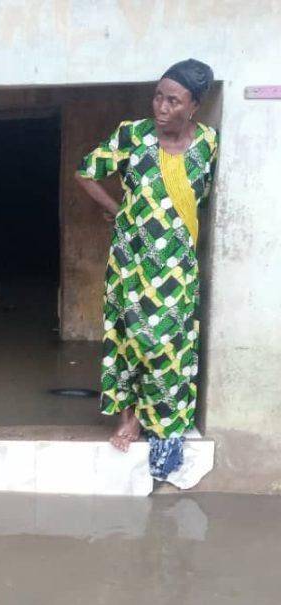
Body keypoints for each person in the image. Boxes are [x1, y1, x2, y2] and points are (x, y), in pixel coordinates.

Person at [74, 59, 219, 482]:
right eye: (158, 96)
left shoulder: (207, 144)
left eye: (173, 100)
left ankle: (167, 427)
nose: (161, 107)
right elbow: (85, 172)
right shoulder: (131, 136)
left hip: (179, 266)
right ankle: (130, 419)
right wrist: (118, 210)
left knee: (169, 347)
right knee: (128, 338)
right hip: (131, 262)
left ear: (193, 106)